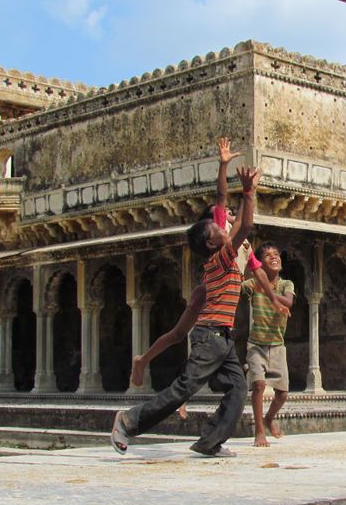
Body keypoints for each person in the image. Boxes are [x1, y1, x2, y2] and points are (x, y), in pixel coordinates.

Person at [128, 138, 289, 421]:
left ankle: (145, 361)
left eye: (227, 215)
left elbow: (258, 270)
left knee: (183, 336)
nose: (225, 215)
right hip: (210, 289)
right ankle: (156, 385)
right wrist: (225, 166)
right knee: (197, 344)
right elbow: (223, 198)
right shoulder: (222, 231)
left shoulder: (244, 244)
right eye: (222, 217)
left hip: (220, 290)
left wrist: (275, 298)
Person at [111, 162, 261, 457]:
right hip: (210, 337)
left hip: (223, 339)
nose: (223, 226)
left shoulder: (224, 256)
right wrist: (247, 191)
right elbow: (245, 225)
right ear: (211, 242)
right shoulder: (221, 259)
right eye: (218, 228)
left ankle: (209, 442)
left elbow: (238, 220)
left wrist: (247, 191)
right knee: (184, 389)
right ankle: (128, 421)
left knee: (239, 389)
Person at [242, 241, 295, 447]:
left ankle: (269, 418)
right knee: (258, 386)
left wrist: (265, 290)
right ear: (259, 265)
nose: (274, 257)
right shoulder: (251, 285)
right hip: (256, 343)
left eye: (276, 254)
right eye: (267, 255)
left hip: (277, 345)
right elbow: (238, 284)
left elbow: (289, 302)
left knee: (282, 395)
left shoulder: (286, 284)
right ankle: (259, 430)